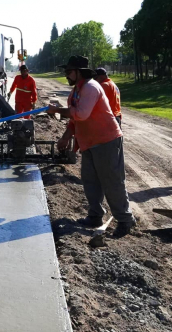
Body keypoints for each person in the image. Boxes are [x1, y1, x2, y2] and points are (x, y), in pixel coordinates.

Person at [46, 56, 136, 237]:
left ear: (80, 72)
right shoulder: (76, 91)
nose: (66, 75)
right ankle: (95, 216)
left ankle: (125, 220)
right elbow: (73, 120)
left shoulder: (91, 87)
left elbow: (81, 114)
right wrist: (65, 138)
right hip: (89, 142)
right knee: (90, 181)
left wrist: (57, 110)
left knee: (112, 181)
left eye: (69, 71)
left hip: (106, 140)